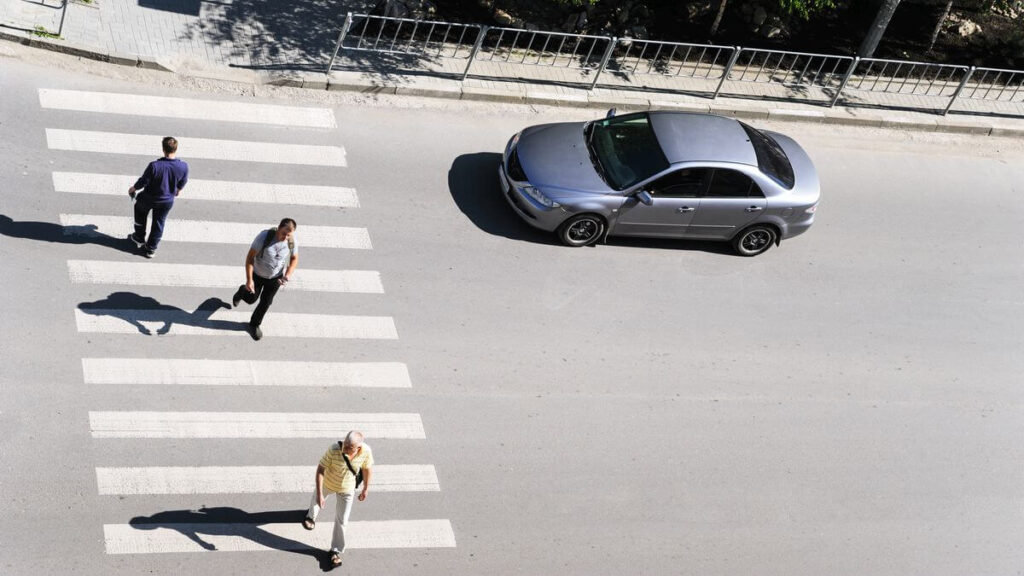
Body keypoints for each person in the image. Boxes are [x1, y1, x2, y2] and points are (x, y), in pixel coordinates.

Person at [303, 431, 373, 568]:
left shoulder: (366, 451)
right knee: (316, 501)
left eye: (349, 447)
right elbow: (320, 470)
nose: (344, 448)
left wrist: (366, 488)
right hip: (328, 483)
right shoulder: (334, 449)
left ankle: (335, 551)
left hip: (347, 489)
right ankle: (311, 516)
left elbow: (367, 469)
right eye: (345, 444)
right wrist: (319, 494)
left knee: (342, 520)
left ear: (358, 448)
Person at [231, 218, 299, 341]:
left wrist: (287, 275)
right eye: (284, 233)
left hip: (275, 278)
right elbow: (250, 258)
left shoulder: (291, 242)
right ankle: (242, 291)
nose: (285, 237)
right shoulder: (264, 237)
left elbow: (294, 258)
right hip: (257, 275)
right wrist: (249, 280)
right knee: (251, 299)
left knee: (266, 302)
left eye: (289, 235)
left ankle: (254, 324)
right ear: (279, 228)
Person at [128, 136, 188, 258]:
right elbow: (182, 182)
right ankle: (151, 248)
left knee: (140, 212)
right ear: (175, 149)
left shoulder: (155, 166)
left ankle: (139, 237)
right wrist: (177, 190)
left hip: (148, 198)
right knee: (159, 223)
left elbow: (143, 181)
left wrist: (133, 188)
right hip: (166, 201)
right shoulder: (184, 166)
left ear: (163, 149)